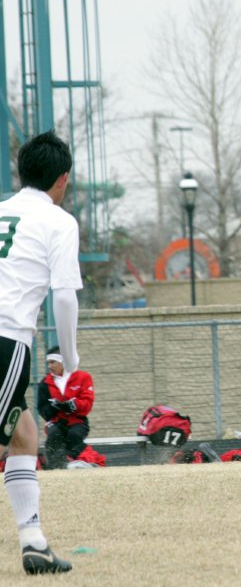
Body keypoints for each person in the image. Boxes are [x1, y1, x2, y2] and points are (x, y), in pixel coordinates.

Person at [0, 130, 78, 574]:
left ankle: (33, 542)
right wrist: (69, 356)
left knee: (23, 433)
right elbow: (64, 297)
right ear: (62, 179)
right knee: (15, 434)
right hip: (5, 339)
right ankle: (32, 541)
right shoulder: (58, 221)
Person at [37, 346, 95, 469]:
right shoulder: (45, 382)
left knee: (74, 434)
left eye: (53, 362)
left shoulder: (83, 377)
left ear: (63, 361)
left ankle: (74, 461)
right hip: (55, 421)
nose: (50, 366)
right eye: (49, 363)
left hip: (77, 420)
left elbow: (87, 402)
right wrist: (55, 407)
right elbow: (42, 408)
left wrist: (72, 405)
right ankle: (56, 467)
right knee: (54, 435)